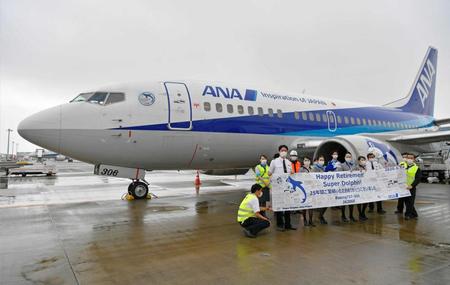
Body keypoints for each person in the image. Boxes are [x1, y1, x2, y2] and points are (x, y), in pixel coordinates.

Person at [269, 145, 296, 231]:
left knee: (288, 206)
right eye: (282, 150)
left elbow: (291, 172)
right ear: (279, 151)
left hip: (287, 187)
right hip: (278, 188)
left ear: (287, 152)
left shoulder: (288, 162)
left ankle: (288, 224)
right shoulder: (274, 162)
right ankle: (280, 225)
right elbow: (269, 173)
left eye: (285, 150)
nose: (283, 151)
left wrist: (292, 172)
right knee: (279, 207)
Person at [340, 152, 357, 222]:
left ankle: (351, 215)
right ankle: (343, 215)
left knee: (351, 202)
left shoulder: (354, 165)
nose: (348, 158)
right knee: (344, 202)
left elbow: (358, 172)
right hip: (344, 186)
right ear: (344, 157)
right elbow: (339, 174)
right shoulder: (342, 165)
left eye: (349, 156)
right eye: (347, 156)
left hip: (352, 186)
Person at [404, 153, 421, 220]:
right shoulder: (403, 166)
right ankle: (414, 214)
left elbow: (418, 178)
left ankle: (408, 215)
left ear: (414, 159)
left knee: (410, 202)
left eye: (411, 158)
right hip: (404, 187)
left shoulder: (416, 168)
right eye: (408, 158)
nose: (409, 159)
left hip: (411, 187)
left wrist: (412, 185)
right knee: (406, 202)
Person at [311, 155, 328, 224]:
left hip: (324, 188)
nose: (322, 161)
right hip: (317, 189)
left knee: (326, 203)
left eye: (323, 160)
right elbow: (312, 178)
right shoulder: (314, 168)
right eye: (320, 160)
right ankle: (318, 218)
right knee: (320, 204)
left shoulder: (325, 168)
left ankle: (320, 216)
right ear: (317, 161)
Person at [299, 157, 315, 227]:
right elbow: (299, 178)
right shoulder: (301, 169)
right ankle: (305, 219)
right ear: (303, 161)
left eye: (308, 160)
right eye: (305, 160)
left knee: (311, 206)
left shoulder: (312, 169)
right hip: (304, 189)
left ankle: (310, 221)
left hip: (311, 189)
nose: (307, 162)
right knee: (304, 206)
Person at [355, 156, 368, 221]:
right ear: (359, 161)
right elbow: (350, 173)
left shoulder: (366, 167)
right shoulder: (356, 167)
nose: (363, 161)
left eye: (364, 160)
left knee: (366, 201)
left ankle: (363, 213)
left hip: (365, 186)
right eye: (361, 160)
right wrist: (357, 172)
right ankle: (360, 214)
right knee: (359, 201)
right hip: (358, 186)